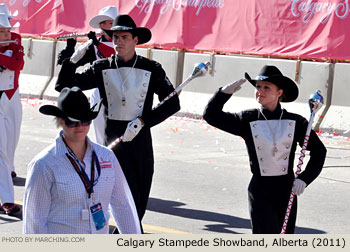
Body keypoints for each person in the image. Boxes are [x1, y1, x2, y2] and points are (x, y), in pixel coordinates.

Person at [55, 14, 181, 229]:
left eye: (124, 37)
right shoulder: (101, 67)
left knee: (139, 196)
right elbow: (64, 86)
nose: (118, 42)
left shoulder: (152, 68)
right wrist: (72, 61)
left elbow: (172, 103)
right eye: (115, 38)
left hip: (140, 138)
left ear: (135, 40)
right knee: (116, 196)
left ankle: (128, 233)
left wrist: (144, 121)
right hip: (113, 140)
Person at [203, 65, 327, 234]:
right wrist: (223, 94)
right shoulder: (247, 119)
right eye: (258, 87)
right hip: (260, 190)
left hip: (286, 190)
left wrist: (304, 178)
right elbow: (211, 115)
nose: (260, 91)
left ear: (279, 93)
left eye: (266, 87)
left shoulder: (296, 122)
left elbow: (319, 152)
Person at [23, 87, 141, 234]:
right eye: (72, 122)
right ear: (60, 121)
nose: (80, 126)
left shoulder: (107, 157)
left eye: (85, 120)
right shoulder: (43, 164)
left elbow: (123, 207)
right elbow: (34, 223)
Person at [57, 6, 118, 144]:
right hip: (99, 89)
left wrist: (96, 43)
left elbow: (113, 56)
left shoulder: (122, 41)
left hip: (117, 89)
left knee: (114, 132)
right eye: (109, 23)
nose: (112, 27)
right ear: (102, 26)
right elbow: (75, 61)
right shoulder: (94, 44)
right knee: (100, 129)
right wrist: (69, 50)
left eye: (114, 23)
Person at [0, 13, 24, 217]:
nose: (7, 33)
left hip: (12, 96)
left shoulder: (16, 40)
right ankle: (7, 199)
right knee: (1, 152)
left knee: (10, 147)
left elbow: (17, 65)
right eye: (1, 31)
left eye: (7, 29)